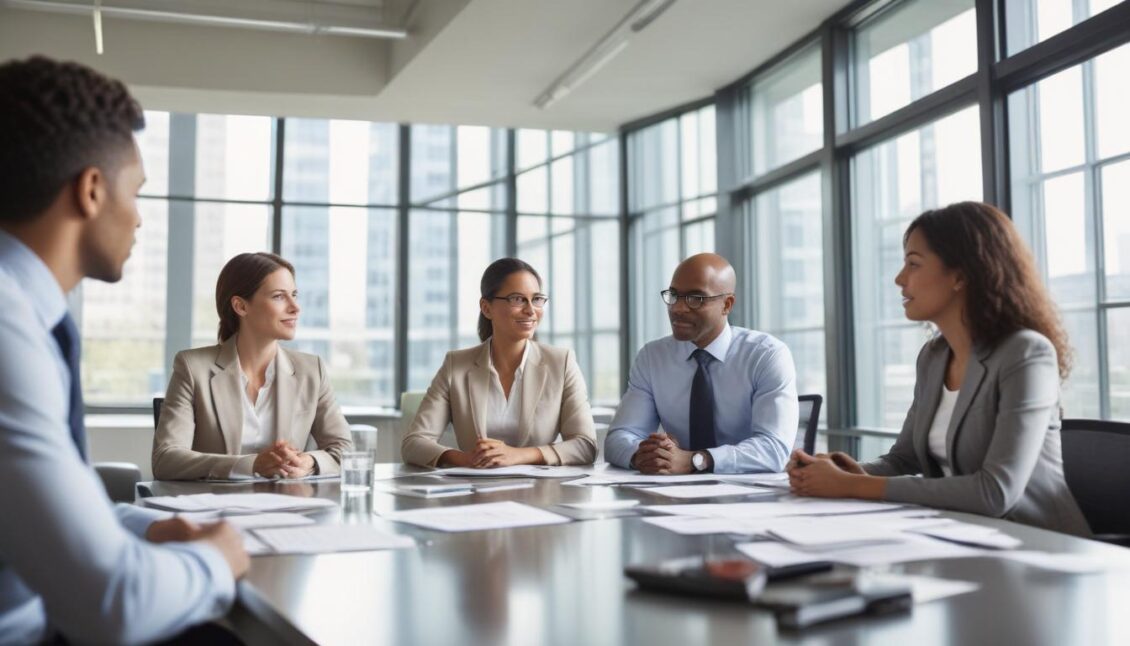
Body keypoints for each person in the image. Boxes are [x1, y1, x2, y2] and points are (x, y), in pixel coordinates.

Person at [0, 56, 248, 644]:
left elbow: (47, 514)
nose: (138, 217)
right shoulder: (8, 327)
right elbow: (114, 605)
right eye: (135, 192)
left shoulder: (28, 313)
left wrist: (148, 526)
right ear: (90, 190)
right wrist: (221, 556)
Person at [788, 201, 1090, 536]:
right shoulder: (933, 356)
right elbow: (903, 460)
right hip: (958, 534)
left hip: (1038, 546)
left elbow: (996, 493)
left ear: (960, 275)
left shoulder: (1025, 354)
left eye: (913, 264)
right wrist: (850, 470)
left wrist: (851, 486)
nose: (900, 279)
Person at [152, 252, 352, 480]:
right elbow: (166, 459)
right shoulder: (192, 367)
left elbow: (346, 450)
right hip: (216, 507)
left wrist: (310, 462)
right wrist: (251, 465)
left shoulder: (311, 370)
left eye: (294, 295)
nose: (295, 307)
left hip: (288, 506)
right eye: (279, 296)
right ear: (240, 306)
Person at [605, 253, 799, 475]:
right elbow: (618, 438)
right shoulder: (653, 357)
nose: (677, 308)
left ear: (727, 304)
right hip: (674, 494)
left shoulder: (766, 355)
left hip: (750, 497)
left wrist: (696, 460)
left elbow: (774, 449)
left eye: (695, 299)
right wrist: (646, 454)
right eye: (674, 295)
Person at [402, 258, 597, 468]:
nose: (531, 310)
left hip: (539, 495)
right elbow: (414, 443)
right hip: (475, 493)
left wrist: (519, 455)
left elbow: (585, 445)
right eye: (517, 299)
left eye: (537, 299)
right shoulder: (455, 366)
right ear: (486, 308)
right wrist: (467, 459)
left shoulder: (562, 362)